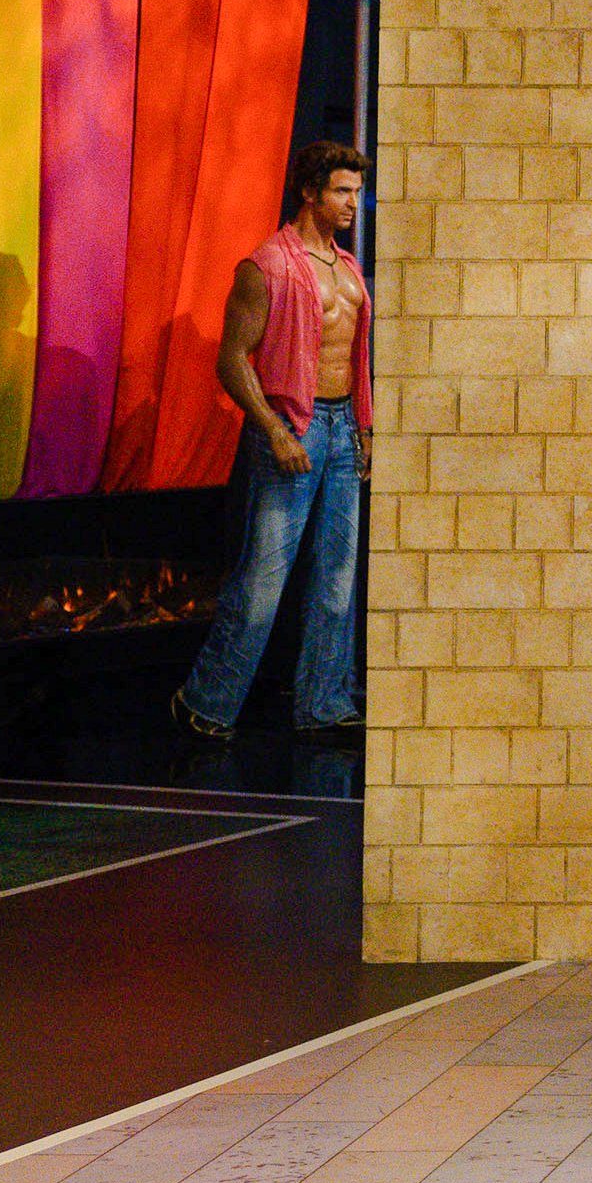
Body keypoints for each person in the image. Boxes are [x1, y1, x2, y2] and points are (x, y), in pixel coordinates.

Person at [173, 140, 372, 741]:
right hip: (293, 428)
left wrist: (364, 429)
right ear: (309, 192)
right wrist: (276, 431)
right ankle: (205, 703)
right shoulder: (267, 266)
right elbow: (233, 360)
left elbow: (355, 357)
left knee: (337, 579)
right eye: (341, 191)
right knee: (262, 581)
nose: (352, 203)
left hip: (342, 429)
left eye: (357, 192)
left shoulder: (348, 267)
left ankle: (323, 704)